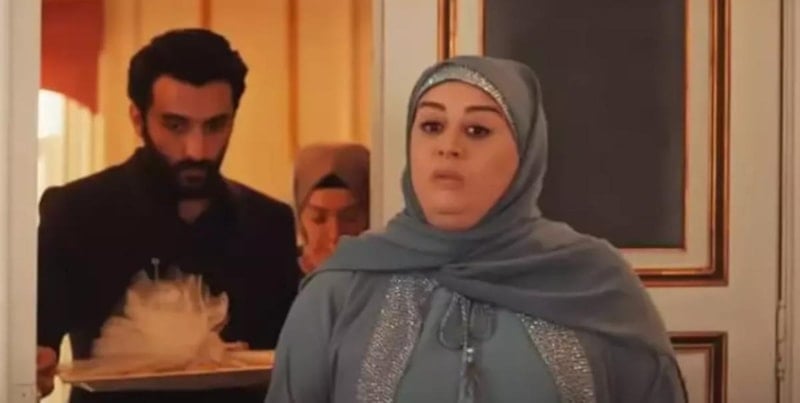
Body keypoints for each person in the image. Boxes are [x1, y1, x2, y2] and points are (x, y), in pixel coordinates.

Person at [265, 55, 687, 402]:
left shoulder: (594, 284)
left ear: (524, 154)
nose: (448, 147)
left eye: (477, 130)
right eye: (431, 126)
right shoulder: (341, 289)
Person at [36, 28, 300, 403]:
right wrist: (34, 365)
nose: (197, 150)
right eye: (175, 126)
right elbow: (34, 345)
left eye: (215, 126)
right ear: (137, 118)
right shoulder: (76, 213)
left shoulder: (268, 224)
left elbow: (292, 366)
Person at [293, 143, 370, 274]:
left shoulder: (393, 276)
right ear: (300, 220)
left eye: (349, 218)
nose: (335, 234)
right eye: (318, 219)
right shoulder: (273, 275)